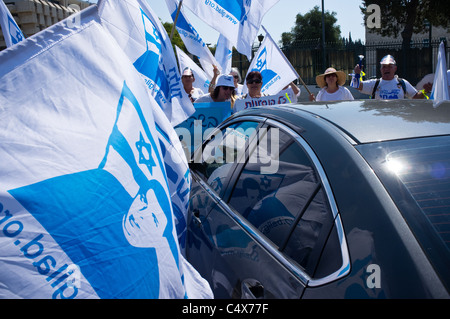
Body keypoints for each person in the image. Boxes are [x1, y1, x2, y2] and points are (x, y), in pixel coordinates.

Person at [353, 55, 424, 100]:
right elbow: (357, 86)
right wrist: (356, 74)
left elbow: (416, 97)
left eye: (390, 67)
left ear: (395, 68)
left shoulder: (402, 83)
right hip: (380, 120)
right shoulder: (374, 83)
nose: (386, 69)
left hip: (397, 120)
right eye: (384, 67)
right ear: (380, 69)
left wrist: (425, 90)